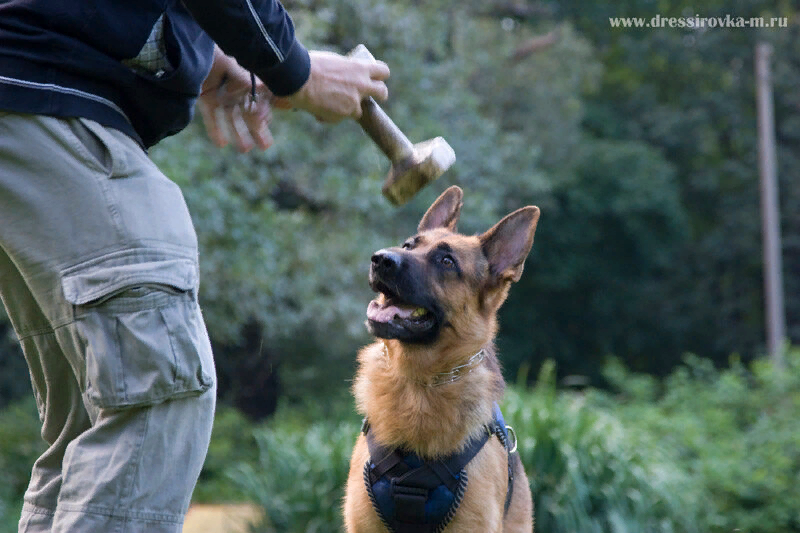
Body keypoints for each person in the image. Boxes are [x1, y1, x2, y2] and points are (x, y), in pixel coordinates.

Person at [0, 1, 390, 532]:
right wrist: (295, 69)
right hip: (45, 94)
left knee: (98, 419)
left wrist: (199, 54)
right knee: (157, 391)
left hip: (28, 94)